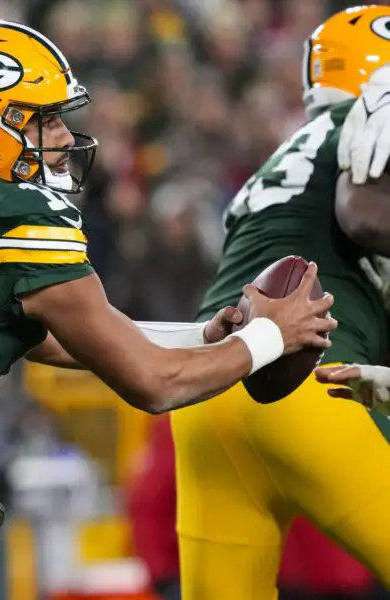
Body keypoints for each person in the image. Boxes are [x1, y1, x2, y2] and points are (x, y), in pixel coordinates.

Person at [0, 20, 335, 600]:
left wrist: (202, 336)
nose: (63, 137)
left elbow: (40, 332)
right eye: (44, 119)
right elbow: (153, 385)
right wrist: (269, 338)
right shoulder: (19, 217)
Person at [170, 6, 390, 599]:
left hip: (208, 389)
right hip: (312, 379)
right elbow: (365, 217)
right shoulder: (370, 115)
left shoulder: (284, 155)